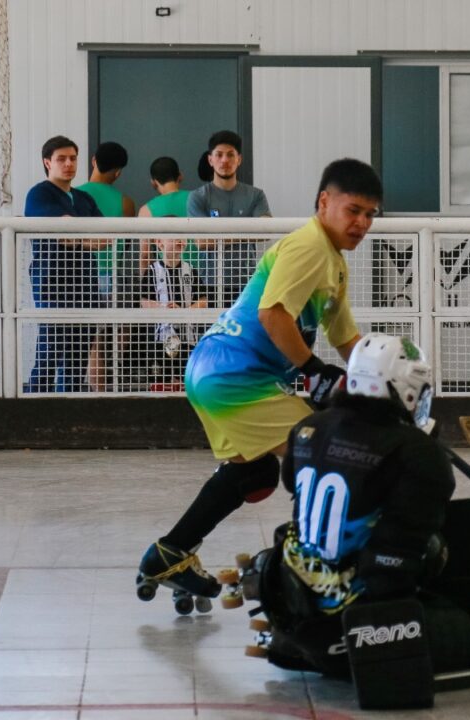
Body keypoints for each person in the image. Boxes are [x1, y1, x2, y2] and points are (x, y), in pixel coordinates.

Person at [135, 158, 378, 605]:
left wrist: (384, 379)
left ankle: (169, 554)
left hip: (213, 370)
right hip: (234, 377)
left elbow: (345, 337)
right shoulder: (308, 247)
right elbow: (272, 314)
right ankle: (313, 568)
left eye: (370, 215)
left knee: (255, 471)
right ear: (324, 202)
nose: (362, 223)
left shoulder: (333, 262)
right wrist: (314, 373)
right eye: (354, 210)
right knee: (324, 456)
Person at [243, 335, 470, 694]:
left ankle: (302, 644)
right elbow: (396, 561)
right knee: (455, 607)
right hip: (355, 619)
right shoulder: (417, 451)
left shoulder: (308, 428)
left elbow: (293, 481)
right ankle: (347, 650)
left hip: (293, 608)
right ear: (405, 389)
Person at [23, 135, 108, 393]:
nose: (68, 164)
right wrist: (82, 238)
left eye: (72, 158)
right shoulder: (39, 194)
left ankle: (70, 408)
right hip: (53, 284)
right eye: (61, 159)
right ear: (47, 162)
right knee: (50, 349)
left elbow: (105, 237)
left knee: (79, 353)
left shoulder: (84, 198)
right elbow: (62, 231)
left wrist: (76, 238)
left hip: (86, 285)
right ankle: (35, 408)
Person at [77, 141, 138, 390]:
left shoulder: (75, 194)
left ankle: (95, 394)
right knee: (117, 336)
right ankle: (112, 389)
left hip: (84, 276)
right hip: (115, 276)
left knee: (92, 341)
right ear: (118, 172)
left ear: (93, 161)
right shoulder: (126, 203)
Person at [187, 130, 272, 303]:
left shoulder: (256, 195)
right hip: (208, 284)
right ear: (210, 160)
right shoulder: (198, 196)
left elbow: (265, 230)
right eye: (219, 155)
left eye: (230, 155)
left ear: (239, 159)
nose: (224, 160)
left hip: (247, 282)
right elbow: (202, 242)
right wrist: (247, 232)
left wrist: (218, 235)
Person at [139, 236, 206, 388]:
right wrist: (164, 309)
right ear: (159, 243)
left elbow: (203, 301)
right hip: (161, 338)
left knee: (186, 381)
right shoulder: (152, 271)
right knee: (161, 382)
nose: (179, 241)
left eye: (183, 238)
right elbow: (145, 302)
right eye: (174, 238)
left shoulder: (191, 271)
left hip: (188, 338)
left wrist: (184, 312)